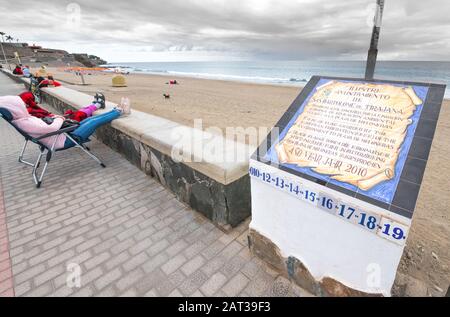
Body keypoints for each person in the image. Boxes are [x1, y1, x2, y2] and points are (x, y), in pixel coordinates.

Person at [0, 95, 126, 150]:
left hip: (60, 135)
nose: (23, 105)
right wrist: (60, 119)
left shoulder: (22, 120)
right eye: (21, 105)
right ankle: (119, 111)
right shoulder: (24, 122)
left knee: (90, 119)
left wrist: (56, 119)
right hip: (62, 139)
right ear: (15, 109)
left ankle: (116, 110)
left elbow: (45, 126)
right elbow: (51, 129)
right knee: (93, 122)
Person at [18, 91, 106, 122]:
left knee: (76, 112)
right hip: (57, 125)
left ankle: (95, 105)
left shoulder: (25, 110)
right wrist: (59, 118)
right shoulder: (29, 111)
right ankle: (98, 104)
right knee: (79, 114)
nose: (33, 102)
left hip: (52, 121)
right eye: (32, 99)